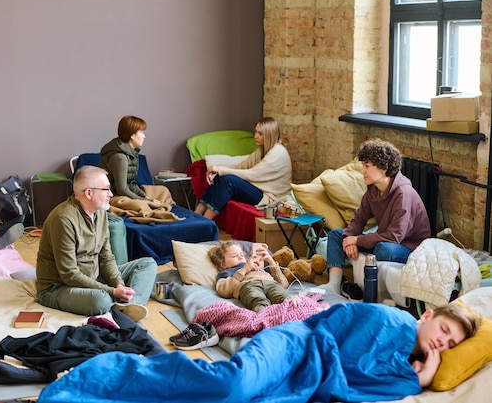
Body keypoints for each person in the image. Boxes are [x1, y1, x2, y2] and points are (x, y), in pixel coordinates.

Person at [35, 301, 480, 402]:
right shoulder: (394, 321)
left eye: (452, 344)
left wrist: (421, 376)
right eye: (444, 329)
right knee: (232, 383)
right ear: (426, 316)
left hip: (309, 366)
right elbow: (339, 334)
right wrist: (419, 374)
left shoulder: (406, 358)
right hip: (295, 343)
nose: (444, 343)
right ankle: (101, 373)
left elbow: (365, 380)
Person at [35, 165, 157, 322]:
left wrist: (118, 284)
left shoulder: (101, 213)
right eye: (106, 189)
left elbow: (106, 257)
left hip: (94, 276)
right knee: (101, 301)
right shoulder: (63, 219)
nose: (111, 194)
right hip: (59, 287)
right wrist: (111, 291)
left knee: (148, 264)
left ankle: (130, 306)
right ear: (89, 193)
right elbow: (69, 274)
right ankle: (118, 305)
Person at [320, 139, 431, 300]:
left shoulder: (404, 194)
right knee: (336, 234)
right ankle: (334, 284)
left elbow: (394, 237)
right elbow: (358, 219)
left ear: (383, 167)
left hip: (407, 248)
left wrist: (357, 240)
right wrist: (347, 239)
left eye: (366, 165)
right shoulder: (373, 191)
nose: (362, 171)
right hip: (385, 241)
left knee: (383, 249)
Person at [194, 117, 292, 220]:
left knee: (229, 181)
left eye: (260, 134)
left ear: (269, 135)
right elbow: (241, 166)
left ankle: (204, 222)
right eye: (255, 132)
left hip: (270, 198)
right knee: (220, 176)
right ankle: (195, 215)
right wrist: (218, 169)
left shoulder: (278, 153)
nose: (255, 136)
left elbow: (251, 174)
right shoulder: (262, 149)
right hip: (260, 190)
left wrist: (221, 170)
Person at [99, 115, 161, 204]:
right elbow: (122, 190)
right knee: (141, 205)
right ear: (132, 135)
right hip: (113, 197)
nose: (144, 136)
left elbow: (131, 183)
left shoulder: (131, 154)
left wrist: (145, 196)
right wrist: (147, 201)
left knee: (162, 190)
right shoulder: (120, 158)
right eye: (142, 132)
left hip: (124, 194)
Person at [211, 241, 289, 312]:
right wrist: (244, 270)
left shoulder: (259, 267)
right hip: (249, 285)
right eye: (234, 256)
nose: (240, 257)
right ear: (223, 264)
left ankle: (293, 308)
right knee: (258, 301)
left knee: (283, 296)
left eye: (241, 254)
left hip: (271, 283)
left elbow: (283, 285)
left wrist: (271, 262)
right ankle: (262, 314)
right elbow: (224, 291)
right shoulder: (226, 272)